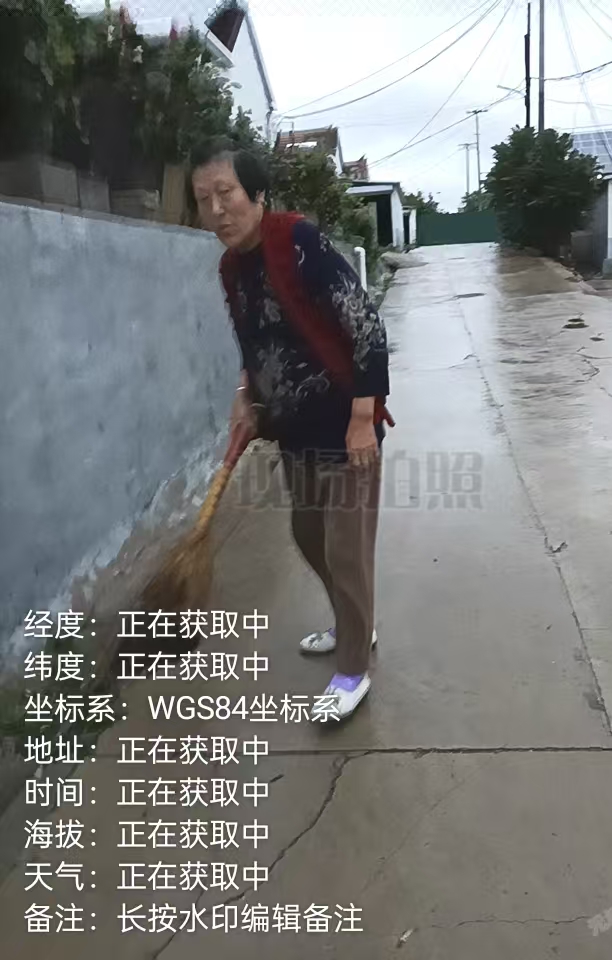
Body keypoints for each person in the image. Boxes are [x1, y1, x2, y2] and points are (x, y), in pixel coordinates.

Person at [189, 138, 391, 722]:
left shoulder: (298, 242)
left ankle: (352, 669)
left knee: (346, 551)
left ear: (257, 194)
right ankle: (355, 623)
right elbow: (255, 345)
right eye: (203, 199)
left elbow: (367, 327)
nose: (217, 210)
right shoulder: (232, 269)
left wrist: (362, 420)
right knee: (308, 536)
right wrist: (245, 397)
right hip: (294, 433)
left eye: (226, 193)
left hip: (345, 429)